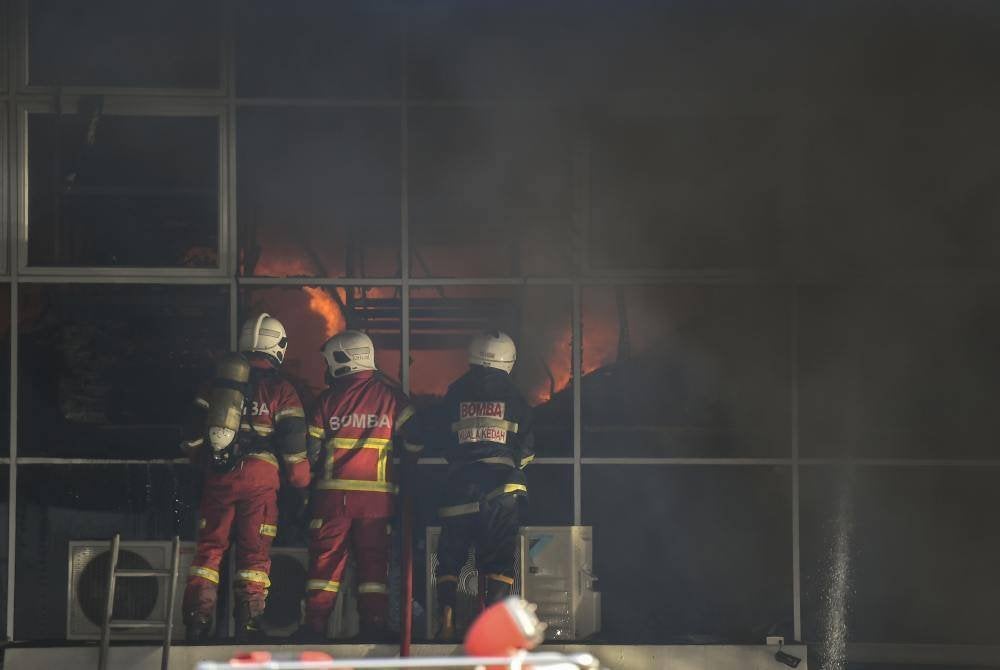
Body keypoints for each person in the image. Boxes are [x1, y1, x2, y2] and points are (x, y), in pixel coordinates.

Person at [181, 313, 310, 641]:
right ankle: (249, 624)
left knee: (209, 551)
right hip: (261, 479)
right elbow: (295, 452)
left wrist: (209, 463)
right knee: (254, 555)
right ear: (276, 346)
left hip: (219, 476)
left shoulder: (215, 385)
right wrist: (301, 483)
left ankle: (198, 618)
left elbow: (193, 439)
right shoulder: (282, 390)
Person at [300, 330, 423, 641]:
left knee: (325, 564)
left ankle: (315, 626)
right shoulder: (392, 398)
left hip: (332, 500)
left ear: (344, 359)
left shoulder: (327, 400)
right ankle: (374, 625)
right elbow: (417, 438)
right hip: (376, 503)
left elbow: (310, 453)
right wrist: (407, 470)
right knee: (373, 566)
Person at [428, 330, 535, 641]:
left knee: (450, 555)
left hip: (460, 485)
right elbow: (526, 451)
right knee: (499, 558)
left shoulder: (454, 393)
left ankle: (446, 617)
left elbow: (439, 438)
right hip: (502, 490)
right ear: (509, 361)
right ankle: (492, 628)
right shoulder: (516, 399)